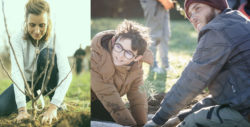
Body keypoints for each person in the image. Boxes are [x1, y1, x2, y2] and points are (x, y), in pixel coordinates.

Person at [144, 0, 250, 126]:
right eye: (190, 14)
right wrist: (179, 117)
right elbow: (223, 97)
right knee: (190, 118)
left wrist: (158, 120)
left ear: (216, 7)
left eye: (197, 8)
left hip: (245, 114)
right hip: (245, 107)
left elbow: (191, 81)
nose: (193, 17)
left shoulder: (217, 31)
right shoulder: (237, 21)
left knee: (192, 122)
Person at [0, 0, 72, 124]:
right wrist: (22, 109)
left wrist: (53, 107)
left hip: (48, 82)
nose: (37, 31)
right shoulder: (16, 40)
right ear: (26, 22)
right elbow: (17, 73)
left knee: (47, 55)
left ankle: (56, 101)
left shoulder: (54, 38)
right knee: (1, 107)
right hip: (26, 85)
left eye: (42, 25)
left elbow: (66, 73)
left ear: (48, 22)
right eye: (32, 25)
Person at [91, 20, 153, 126]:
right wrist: (131, 125)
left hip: (108, 101)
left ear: (137, 57)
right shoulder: (96, 59)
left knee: (133, 116)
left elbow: (138, 97)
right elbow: (108, 94)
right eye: (119, 47)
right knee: (115, 119)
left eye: (128, 53)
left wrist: (142, 124)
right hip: (92, 101)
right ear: (114, 41)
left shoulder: (136, 66)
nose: (120, 56)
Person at [140, 0, 173, 74]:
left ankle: (165, 64)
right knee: (154, 34)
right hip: (152, 3)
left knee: (165, 34)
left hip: (163, 5)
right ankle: (153, 65)